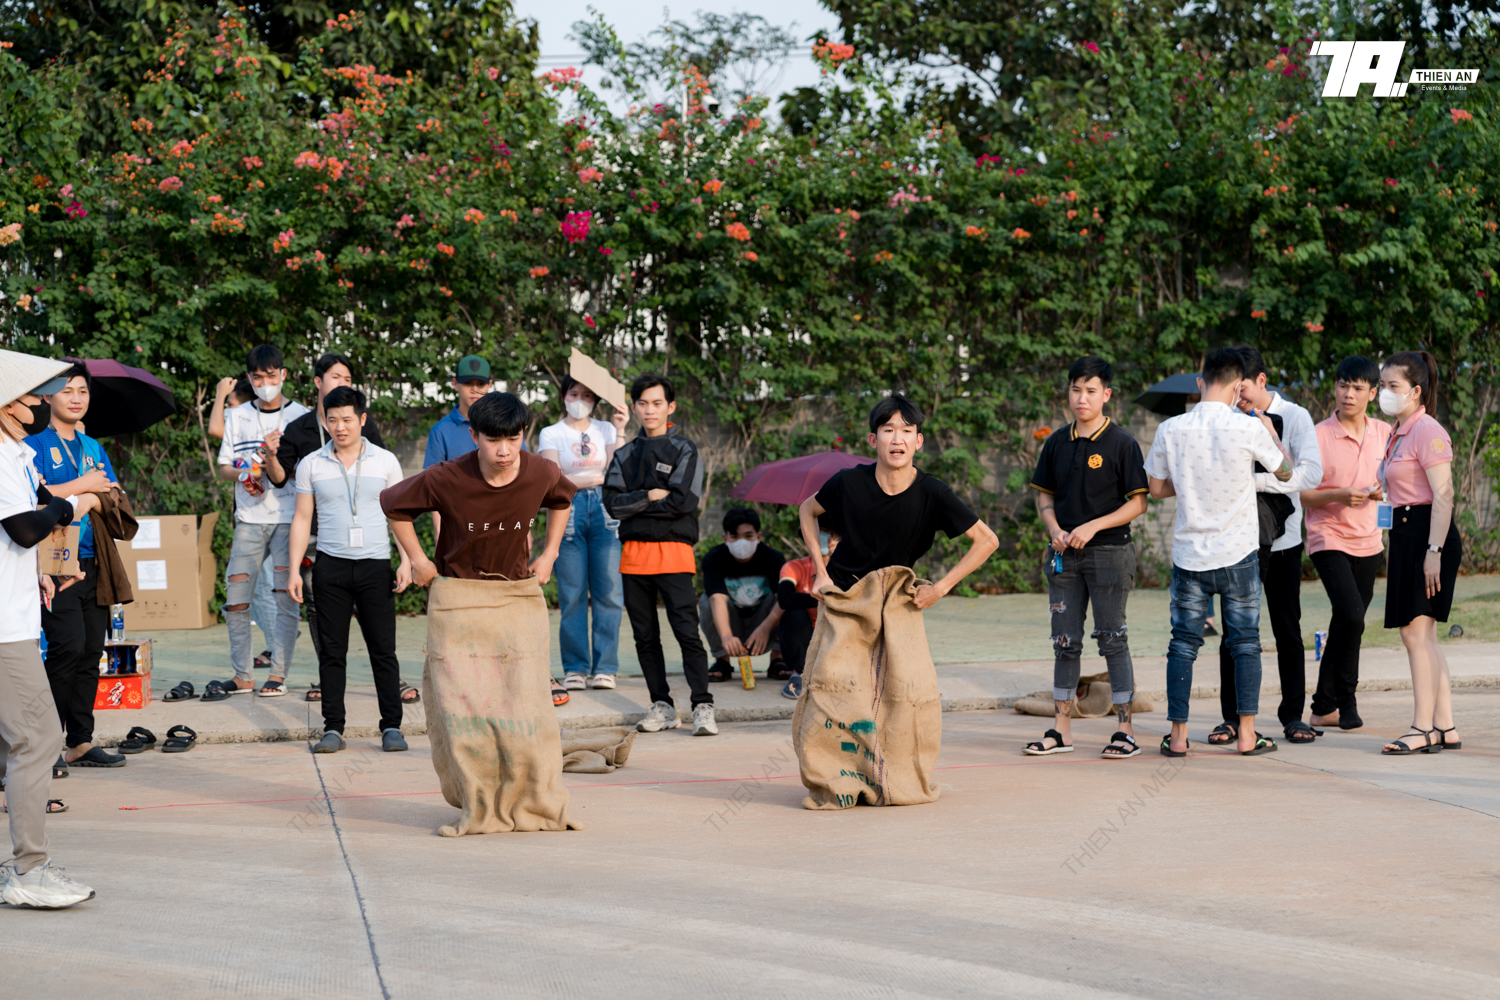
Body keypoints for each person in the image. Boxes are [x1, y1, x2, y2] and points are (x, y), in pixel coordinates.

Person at [382, 392, 578, 836]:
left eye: (513, 438)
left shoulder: (540, 471)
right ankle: (479, 800)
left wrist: (549, 555)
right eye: (493, 440)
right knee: (467, 714)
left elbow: (563, 500)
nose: (505, 450)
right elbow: (393, 505)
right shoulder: (448, 476)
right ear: (474, 437)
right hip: (459, 603)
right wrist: (417, 559)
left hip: (514, 601)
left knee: (525, 710)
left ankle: (530, 799)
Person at [793, 394, 998, 810]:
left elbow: (987, 541)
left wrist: (941, 587)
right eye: (889, 430)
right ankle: (837, 782)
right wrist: (820, 569)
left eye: (906, 431)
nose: (897, 439)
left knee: (903, 696)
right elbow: (806, 510)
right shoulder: (848, 482)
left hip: (897, 604)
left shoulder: (933, 493)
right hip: (846, 599)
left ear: (919, 441)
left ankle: (893, 779)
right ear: (873, 439)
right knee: (833, 689)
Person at [1145, 347, 1294, 757]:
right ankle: (1247, 735)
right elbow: (1284, 472)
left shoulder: (1170, 430)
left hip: (1189, 556)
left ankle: (1177, 737)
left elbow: (1156, 489)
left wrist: (1191, 478)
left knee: (1183, 645)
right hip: (1239, 554)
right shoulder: (1248, 428)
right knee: (1245, 642)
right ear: (1237, 386)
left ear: (1200, 382)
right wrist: (1269, 431)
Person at [0, 352, 98, 909]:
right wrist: (70, 503)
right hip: (3, 628)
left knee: (10, 747)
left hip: (13, 613)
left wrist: (45, 567)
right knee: (38, 739)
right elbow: (22, 525)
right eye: (34, 396)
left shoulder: (15, 451)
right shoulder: (0, 452)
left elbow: (26, 532)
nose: (42, 403)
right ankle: (29, 870)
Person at [1024, 356, 1149, 759]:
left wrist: (1093, 526)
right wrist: (1054, 528)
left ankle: (1125, 731)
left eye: (1091, 390)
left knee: (1113, 639)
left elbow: (1138, 504)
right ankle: (1061, 730)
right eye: (1076, 389)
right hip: (1064, 558)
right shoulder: (1058, 441)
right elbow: (1044, 494)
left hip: (1110, 555)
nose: (1082, 397)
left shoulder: (1122, 443)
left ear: (1106, 395)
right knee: (1065, 642)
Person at [287, 387, 413, 754]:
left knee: (383, 651)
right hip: (330, 567)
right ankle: (333, 728)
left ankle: (391, 726)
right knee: (331, 651)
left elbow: (398, 515)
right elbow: (301, 518)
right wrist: (294, 570)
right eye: (332, 420)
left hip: (375, 566)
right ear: (324, 421)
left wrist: (405, 560)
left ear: (362, 419)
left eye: (347, 419)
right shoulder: (311, 464)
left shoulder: (386, 461)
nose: (340, 427)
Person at [1213, 347, 1324, 747]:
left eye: (1242, 388)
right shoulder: (1225, 419)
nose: (1237, 396)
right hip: (1238, 541)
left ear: (1262, 381)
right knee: (1236, 632)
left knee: (1286, 629)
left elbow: (1309, 475)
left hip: (1284, 540)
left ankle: (1293, 715)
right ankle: (1232, 718)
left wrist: (1256, 479)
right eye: (1232, 388)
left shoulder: (1295, 416)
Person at [268, 353, 391, 704]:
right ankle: (329, 680)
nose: (343, 384)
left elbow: (380, 480)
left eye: (349, 379)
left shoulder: (366, 429)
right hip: (317, 540)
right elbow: (279, 480)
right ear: (319, 382)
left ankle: (388, 689)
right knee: (319, 612)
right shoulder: (299, 429)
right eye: (337, 377)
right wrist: (271, 457)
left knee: (377, 627)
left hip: (367, 545)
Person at [602, 373, 714, 736]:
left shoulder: (684, 450)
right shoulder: (624, 454)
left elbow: (684, 502)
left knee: (686, 631)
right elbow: (612, 505)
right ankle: (662, 705)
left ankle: (702, 705)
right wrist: (649, 495)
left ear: (671, 407)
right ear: (634, 408)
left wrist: (639, 502)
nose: (650, 410)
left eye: (657, 403)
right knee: (644, 636)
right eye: (643, 403)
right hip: (633, 555)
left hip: (675, 552)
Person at [26, 364, 124, 771]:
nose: (76, 397)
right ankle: (43, 747)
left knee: (90, 652)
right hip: (51, 565)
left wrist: (84, 495)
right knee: (65, 648)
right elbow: (37, 498)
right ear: (48, 397)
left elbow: (114, 495)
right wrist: (85, 487)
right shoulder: (32, 445)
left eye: (82, 390)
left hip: (93, 562)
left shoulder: (93, 447)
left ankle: (79, 741)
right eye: (67, 391)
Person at [207, 344, 310, 699]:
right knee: (236, 599)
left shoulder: (302, 416)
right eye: (258, 377)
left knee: (286, 599)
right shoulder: (237, 417)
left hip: (289, 519)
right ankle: (242, 675)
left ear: (283, 375)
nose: (265, 382)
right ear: (249, 379)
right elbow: (223, 468)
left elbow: (311, 471)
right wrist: (244, 474)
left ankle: (278, 675)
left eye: (271, 376)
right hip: (248, 520)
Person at [1376, 352, 1463, 755]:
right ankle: (1444, 725)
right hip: (1408, 533)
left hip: (1430, 533)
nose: (1383, 393)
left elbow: (1444, 495)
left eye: (1392, 387)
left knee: (1415, 632)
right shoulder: (1400, 430)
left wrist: (1434, 550)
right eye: (1382, 385)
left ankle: (1421, 727)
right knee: (1424, 634)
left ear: (1415, 391)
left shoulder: (1427, 429)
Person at [1302, 357, 1390, 732]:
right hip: (1328, 536)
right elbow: (1303, 494)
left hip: (1370, 540)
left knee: (1346, 621)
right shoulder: (1318, 435)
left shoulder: (1386, 432)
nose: (1348, 394)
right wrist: (1339, 494)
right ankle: (1347, 698)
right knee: (1352, 615)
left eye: (1356, 388)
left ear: (1373, 393)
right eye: (1342, 385)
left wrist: (1385, 492)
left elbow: (1397, 481)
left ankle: (1323, 705)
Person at [537, 375, 627, 691]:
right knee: (572, 593)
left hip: (605, 512)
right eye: (573, 393)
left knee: (610, 592)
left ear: (595, 400)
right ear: (563, 396)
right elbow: (553, 480)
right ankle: (575, 668)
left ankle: (605, 668)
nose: (580, 400)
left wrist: (622, 428)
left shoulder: (607, 430)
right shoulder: (551, 432)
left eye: (587, 395)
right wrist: (596, 477)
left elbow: (619, 473)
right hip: (567, 511)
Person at [698, 507, 788, 681]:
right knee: (706, 601)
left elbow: (783, 600)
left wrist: (765, 627)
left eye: (748, 536)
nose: (742, 542)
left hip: (764, 623)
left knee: (787, 597)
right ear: (725, 538)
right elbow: (717, 599)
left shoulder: (774, 558)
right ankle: (722, 660)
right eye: (735, 536)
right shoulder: (714, 558)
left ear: (758, 537)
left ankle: (778, 658)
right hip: (731, 624)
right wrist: (726, 636)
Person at [423, 355, 495, 544]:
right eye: (467, 383)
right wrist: (439, 529)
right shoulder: (441, 431)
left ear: (489, 384)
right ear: (455, 384)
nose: (474, 389)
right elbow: (434, 484)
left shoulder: (502, 424)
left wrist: (525, 528)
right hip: (458, 525)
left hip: (500, 521)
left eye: (480, 383)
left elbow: (520, 474)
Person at [776, 530, 839, 699]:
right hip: (804, 639)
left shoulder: (846, 568)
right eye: (816, 530)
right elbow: (785, 599)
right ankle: (800, 673)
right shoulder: (794, 567)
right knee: (793, 615)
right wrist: (822, 597)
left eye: (829, 533)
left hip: (835, 635)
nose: (824, 537)